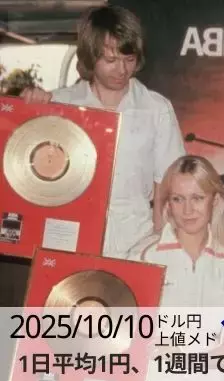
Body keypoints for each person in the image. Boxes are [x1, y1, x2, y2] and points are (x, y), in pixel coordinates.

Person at [20, 5, 186, 259]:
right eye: (110, 60)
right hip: (67, 241)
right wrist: (29, 110)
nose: (122, 70)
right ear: (90, 57)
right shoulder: (60, 104)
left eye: (129, 59)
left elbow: (169, 185)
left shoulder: (156, 108)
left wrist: (158, 247)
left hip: (136, 243)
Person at [127, 155, 224, 381]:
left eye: (197, 198)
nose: (188, 210)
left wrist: (182, 358)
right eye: (178, 199)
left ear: (215, 201)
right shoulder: (142, 258)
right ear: (168, 204)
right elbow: (127, 340)